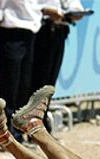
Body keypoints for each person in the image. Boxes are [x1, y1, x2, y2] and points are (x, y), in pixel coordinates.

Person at [0, 0, 44, 143]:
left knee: (24, 85)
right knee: (9, 85)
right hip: (11, 34)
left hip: (30, 34)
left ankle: (18, 130)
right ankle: (4, 132)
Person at [32, 0, 85, 132]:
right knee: (38, 79)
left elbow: (72, 4)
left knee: (50, 81)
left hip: (59, 31)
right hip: (40, 30)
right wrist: (45, 10)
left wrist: (76, 12)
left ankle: (41, 119)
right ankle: (31, 122)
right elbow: (29, 5)